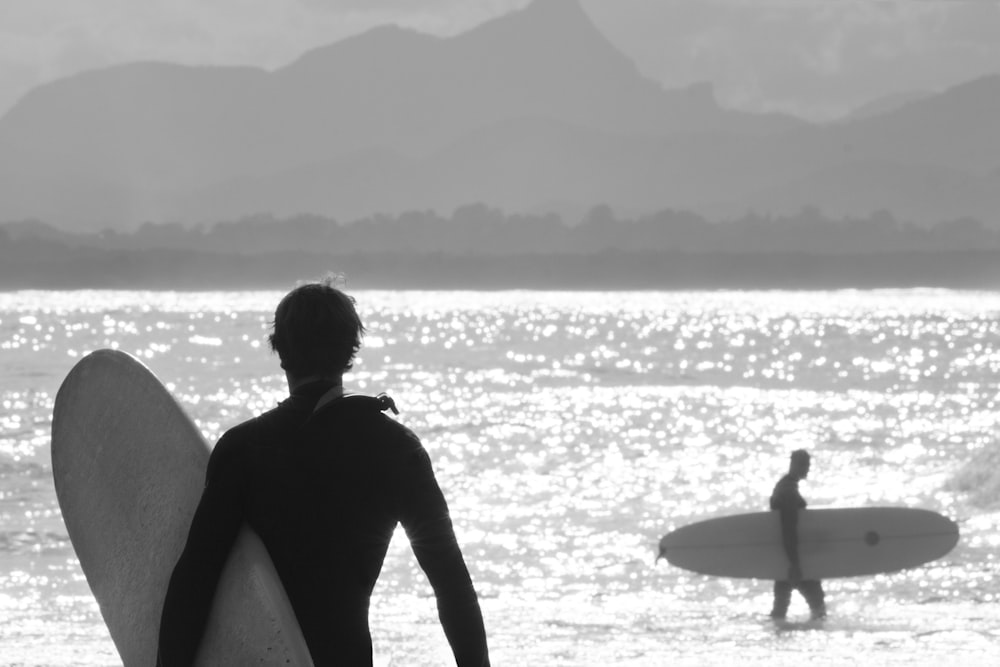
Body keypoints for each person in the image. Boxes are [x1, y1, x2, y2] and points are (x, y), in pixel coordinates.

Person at [157, 279, 490, 666]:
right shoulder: (397, 448)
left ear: (280, 352)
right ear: (350, 351)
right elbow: (451, 583)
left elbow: (195, 580)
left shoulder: (243, 448)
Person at [768, 449, 826, 621]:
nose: (807, 469)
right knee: (818, 605)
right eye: (803, 465)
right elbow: (789, 529)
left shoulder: (784, 486)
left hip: (783, 558)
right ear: (793, 464)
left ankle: (775, 641)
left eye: (808, 465)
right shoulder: (788, 492)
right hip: (793, 559)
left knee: (779, 611)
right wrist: (794, 563)